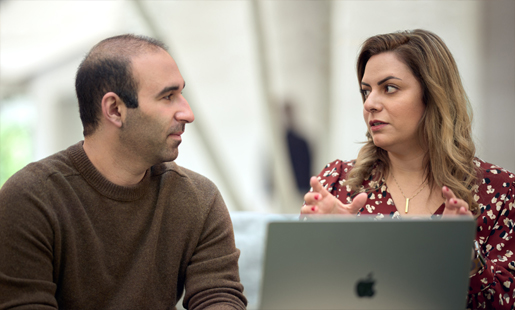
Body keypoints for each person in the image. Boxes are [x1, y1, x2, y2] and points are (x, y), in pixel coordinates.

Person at [0, 34, 247, 309]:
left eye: (181, 93)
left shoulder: (199, 199)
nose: (187, 113)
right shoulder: (30, 199)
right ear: (115, 110)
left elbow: (220, 297)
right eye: (168, 96)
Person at [300, 29, 515, 309]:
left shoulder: (498, 191)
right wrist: (322, 248)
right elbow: (297, 295)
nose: (369, 104)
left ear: (433, 95)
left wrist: (464, 256)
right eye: (366, 91)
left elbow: (505, 302)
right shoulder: (339, 183)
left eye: (389, 88)